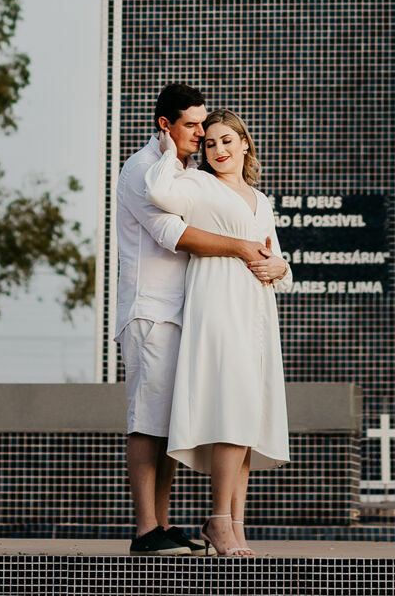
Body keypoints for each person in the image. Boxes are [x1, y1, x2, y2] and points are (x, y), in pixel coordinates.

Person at [115, 83, 276, 557]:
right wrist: (244, 248)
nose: (202, 133)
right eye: (192, 126)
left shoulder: (190, 170)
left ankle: (163, 525)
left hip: (188, 311)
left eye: (205, 125)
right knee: (148, 420)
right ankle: (147, 531)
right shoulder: (143, 169)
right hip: (152, 309)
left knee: (167, 422)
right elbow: (174, 234)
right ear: (165, 126)